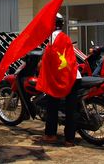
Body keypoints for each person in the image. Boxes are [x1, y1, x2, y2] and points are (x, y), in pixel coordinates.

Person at [35, 13, 81, 147]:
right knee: (71, 109)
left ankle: (50, 135)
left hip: (61, 78)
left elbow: (48, 57)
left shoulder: (52, 38)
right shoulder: (65, 37)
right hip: (74, 76)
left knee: (52, 106)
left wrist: (40, 65)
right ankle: (69, 140)